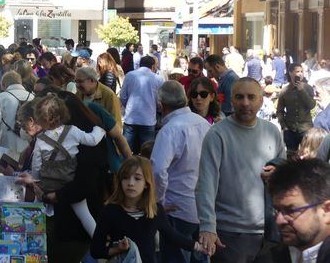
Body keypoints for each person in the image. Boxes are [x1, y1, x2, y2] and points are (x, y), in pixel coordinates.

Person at [196, 77, 286, 261]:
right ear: (231, 99)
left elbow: (286, 176)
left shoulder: (272, 132)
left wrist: (279, 173)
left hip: (269, 232)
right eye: (240, 97)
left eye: (251, 97)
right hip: (229, 233)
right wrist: (207, 226)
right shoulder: (217, 134)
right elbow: (206, 183)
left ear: (261, 100)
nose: (245, 103)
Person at [90, 156, 205, 263]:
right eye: (125, 178)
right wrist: (117, 249)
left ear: (146, 183)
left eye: (137, 178)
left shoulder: (155, 210)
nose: (130, 183)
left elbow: (172, 236)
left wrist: (199, 246)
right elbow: (96, 250)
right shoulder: (110, 211)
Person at [151, 81, 211, 263]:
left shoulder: (170, 130)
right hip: (203, 208)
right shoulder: (203, 123)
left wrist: (158, 202)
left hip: (177, 208)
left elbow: (158, 169)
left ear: (161, 105)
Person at [29, 94, 105, 237]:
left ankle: (32, 237)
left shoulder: (40, 139)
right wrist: (99, 129)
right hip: (69, 182)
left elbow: (37, 165)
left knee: (37, 209)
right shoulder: (73, 131)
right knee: (85, 215)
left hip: (48, 183)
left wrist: (36, 182)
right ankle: (98, 241)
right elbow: (92, 140)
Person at [268, 158, 330, 263]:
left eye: (290, 210)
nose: (279, 221)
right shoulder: (278, 254)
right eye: (277, 210)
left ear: (327, 210)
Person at [120, 55, 164, 154]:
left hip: (130, 118)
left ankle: (126, 168)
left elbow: (123, 96)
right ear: (153, 66)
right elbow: (160, 101)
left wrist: (129, 106)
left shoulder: (130, 75)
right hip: (148, 120)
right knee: (147, 152)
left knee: (126, 152)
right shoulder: (158, 79)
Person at [0, 71, 34, 153]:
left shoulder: (2, 97)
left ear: (4, 84)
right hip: (28, 146)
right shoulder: (32, 97)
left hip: (7, 144)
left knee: (7, 165)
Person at [277, 63, 317, 152]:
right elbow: (279, 110)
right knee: (291, 156)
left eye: (302, 71)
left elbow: (312, 105)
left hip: (305, 129)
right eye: (297, 71)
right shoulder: (285, 91)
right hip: (290, 129)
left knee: (307, 156)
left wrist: (301, 90)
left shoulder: (308, 88)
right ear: (290, 73)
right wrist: (284, 126)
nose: (300, 74)